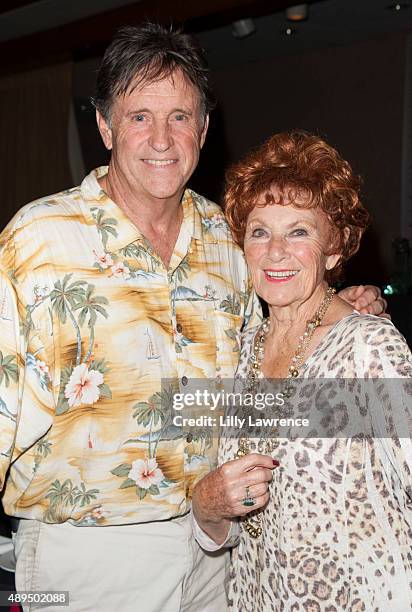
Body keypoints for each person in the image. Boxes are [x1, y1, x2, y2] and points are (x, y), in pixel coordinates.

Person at [0, 23, 386, 612]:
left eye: (180, 116)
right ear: (104, 126)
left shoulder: (228, 239)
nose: (161, 138)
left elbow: (260, 369)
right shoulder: (39, 240)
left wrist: (339, 311)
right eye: (138, 117)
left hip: (217, 542)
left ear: (204, 129)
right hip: (90, 556)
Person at [192, 131, 412, 611]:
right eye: (259, 231)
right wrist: (207, 505)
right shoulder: (242, 351)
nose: (275, 251)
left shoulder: (367, 346)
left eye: (298, 232)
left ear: (333, 250)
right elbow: (232, 525)